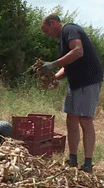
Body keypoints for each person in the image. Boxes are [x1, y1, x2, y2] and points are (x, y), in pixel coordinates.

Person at [39, 14, 103, 173]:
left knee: (85, 120)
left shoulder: (70, 30)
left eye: (47, 30)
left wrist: (53, 64)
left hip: (88, 80)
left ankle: (88, 163)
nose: (47, 34)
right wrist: (53, 78)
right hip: (75, 82)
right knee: (71, 118)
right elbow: (68, 65)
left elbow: (78, 51)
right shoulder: (62, 39)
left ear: (53, 23)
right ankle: (72, 158)